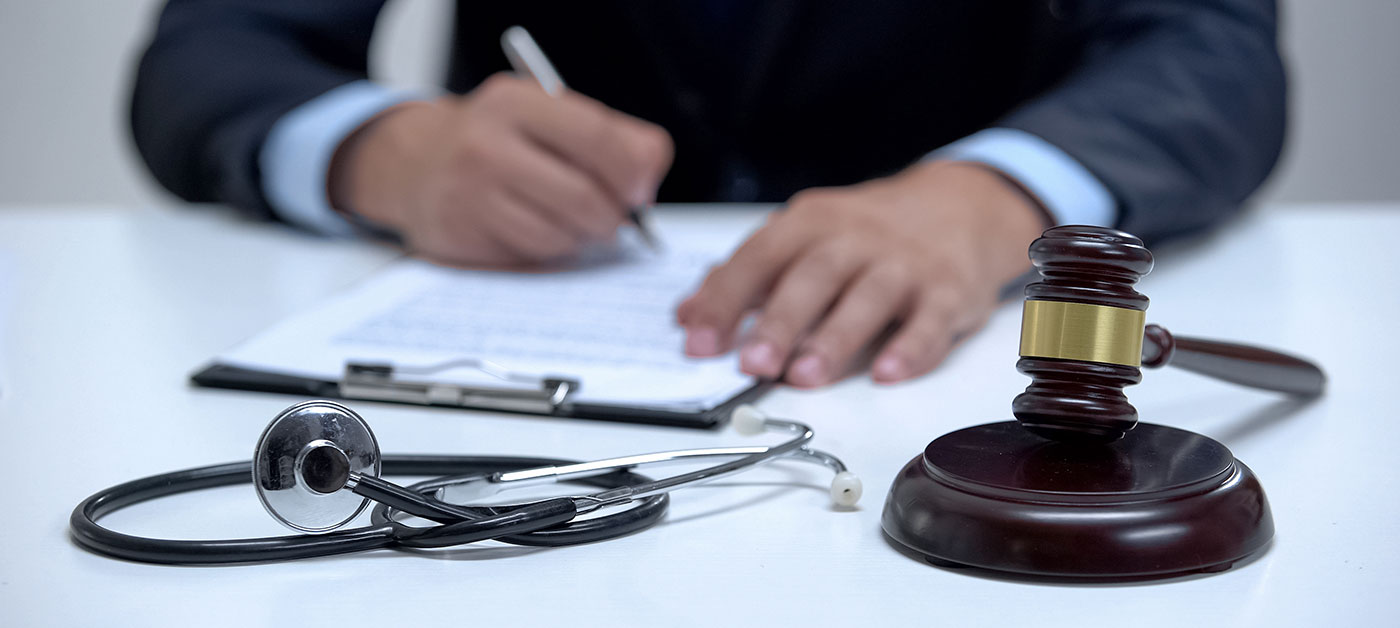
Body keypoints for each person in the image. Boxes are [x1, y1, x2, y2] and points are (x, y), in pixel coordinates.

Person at [130, 1, 1286, 388]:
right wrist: (381, 150)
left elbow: (1210, 52)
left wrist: (986, 195)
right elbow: (210, 52)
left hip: (931, 376)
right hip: (522, 326)